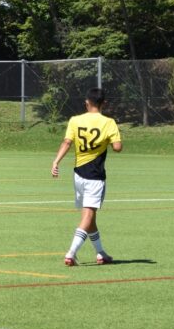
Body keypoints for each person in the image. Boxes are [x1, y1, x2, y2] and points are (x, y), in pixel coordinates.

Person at [51, 87, 123, 266]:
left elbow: (67, 142)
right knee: (88, 216)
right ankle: (71, 253)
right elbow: (117, 147)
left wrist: (56, 162)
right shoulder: (109, 122)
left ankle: (101, 253)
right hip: (95, 175)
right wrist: (108, 141)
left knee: (89, 217)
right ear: (104, 103)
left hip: (78, 175)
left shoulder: (75, 120)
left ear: (87, 102)